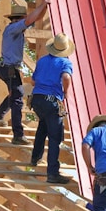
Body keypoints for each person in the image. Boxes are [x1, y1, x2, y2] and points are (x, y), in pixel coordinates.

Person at [0, 0, 50, 144]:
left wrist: (45, 6)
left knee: (14, 94)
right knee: (17, 99)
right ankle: (18, 135)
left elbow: (35, 18)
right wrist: (42, 4)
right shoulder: (14, 28)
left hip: (7, 68)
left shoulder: (14, 28)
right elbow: (30, 20)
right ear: (20, 19)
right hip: (9, 69)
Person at [29, 32, 75, 184]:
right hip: (52, 100)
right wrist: (66, 93)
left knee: (43, 126)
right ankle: (52, 173)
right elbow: (66, 77)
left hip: (37, 99)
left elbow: (33, 81)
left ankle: (35, 157)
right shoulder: (65, 63)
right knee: (55, 137)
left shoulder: (42, 61)